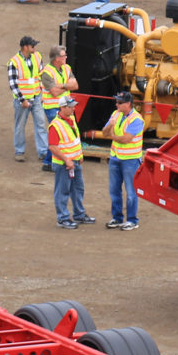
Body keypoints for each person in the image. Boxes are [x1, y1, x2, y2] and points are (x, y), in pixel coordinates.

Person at [48, 97, 95, 229]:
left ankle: (79, 214)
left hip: (74, 162)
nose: (74, 109)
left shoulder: (71, 119)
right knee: (62, 191)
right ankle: (62, 218)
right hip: (64, 165)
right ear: (62, 108)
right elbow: (52, 146)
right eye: (71, 107)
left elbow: (75, 139)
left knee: (78, 189)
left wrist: (79, 155)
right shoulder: (55, 125)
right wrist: (66, 160)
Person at [103, 91, 145, 231]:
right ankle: (117, 218)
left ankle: (132, 220)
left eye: (120, 103)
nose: (117, 104)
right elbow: (104, 132)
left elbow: (127, 139)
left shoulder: (136, 119)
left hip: (130, 160)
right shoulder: (116, 114)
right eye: (116, 102)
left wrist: (113, 136)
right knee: (114, 190)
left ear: (128, 104)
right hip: (115, 157)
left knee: (131, 191)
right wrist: (110, 127)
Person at [8, 35, 48, 161]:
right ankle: (19, 151)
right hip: (23, 101)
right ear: (25, 47)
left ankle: (43, 151)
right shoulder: (14, 62)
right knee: (20, 126)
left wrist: (42, 93)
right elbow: (13, 84)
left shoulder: (37, 57)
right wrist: (22, 100)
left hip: (36, 97)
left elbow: (41, 75)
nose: (34, 48)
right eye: (32, 46)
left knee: (41, 123)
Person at [41, 44, 78, 171]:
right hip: (52, 107)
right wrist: (67, 85)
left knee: (60, 135)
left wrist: (61, 85)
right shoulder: (46, 72)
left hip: (65, 107)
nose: (66, 57)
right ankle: (48, 162)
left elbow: (75, 85)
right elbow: (54, 92)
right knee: (57, 134)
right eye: (64, 56)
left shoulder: (67, 68)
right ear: (56, 58)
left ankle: (48, 162)